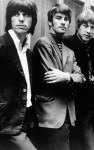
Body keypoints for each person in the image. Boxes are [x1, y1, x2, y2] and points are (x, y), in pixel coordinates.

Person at [32, 3, 84, 150]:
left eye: (66, 19)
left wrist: (67, 77)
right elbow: (53, 79)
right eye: (58, 18)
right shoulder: (43, 43)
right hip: (50, 115)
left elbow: (81, 77)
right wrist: (71, 77)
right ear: (50, 22)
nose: (63, 22)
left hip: (68, 114)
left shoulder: (70, 51)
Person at [63, 10, 94, 150]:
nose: (89, 31)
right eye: (85, 26)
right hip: (77, 104)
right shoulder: (68, 42)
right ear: (78, 26)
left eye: (92, 28)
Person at [0, 0, 37, 150]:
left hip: (27, 120)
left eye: (26, 15)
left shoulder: (28, 53)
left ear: (32, 20)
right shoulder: (1, 46)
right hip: (7, 123)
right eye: (16, 14)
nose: (21, 19)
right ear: (10, 19)